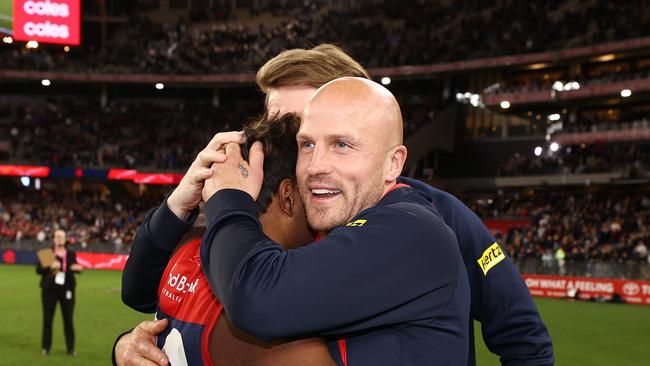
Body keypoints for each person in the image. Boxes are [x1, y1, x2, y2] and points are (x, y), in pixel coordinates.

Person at [118, 44, 553, 365]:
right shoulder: (267, 210)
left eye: (304, 128)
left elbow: (522, 337)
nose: (285, 146)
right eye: (289, 132)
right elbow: (146, 293)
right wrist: (179, 202)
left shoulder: (434, 217)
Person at [199, 77, 470, 365]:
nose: (315, 166)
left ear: (393, 163)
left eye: (341, 145)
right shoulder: (338, 229)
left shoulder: (411, 231)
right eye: (306, 145)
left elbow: (254, 298)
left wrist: (227, 198)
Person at [115, 113, 336, 366]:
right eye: (316, 188)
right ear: (288, 197)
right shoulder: (279, 329)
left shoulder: (188, 244)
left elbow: (136, 292)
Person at [36, 229, 83, 356]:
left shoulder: (71, 254)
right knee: (48, 319)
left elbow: (73, 266)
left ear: (65, 239)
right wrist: (49, 267)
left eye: (62, 237)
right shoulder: (47, 253)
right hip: (49, 290)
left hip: (67, 289)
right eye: (57, 236)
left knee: (68, 319)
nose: (59, 239)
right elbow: (39, 270)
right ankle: (46, 348)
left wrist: (77, 269)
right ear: (53, 239)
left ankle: (71, 349)